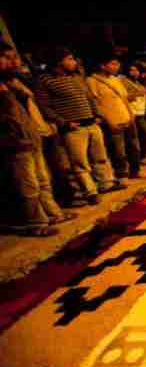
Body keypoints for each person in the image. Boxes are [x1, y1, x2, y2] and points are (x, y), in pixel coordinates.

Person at [0, 43, 78, 236]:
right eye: (7, 57)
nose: (14, 62)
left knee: (43, 180)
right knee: (29, 185)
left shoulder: (14, 83)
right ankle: (36, 222)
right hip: (16, 144)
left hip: (32, 138)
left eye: (14, 57)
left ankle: (53, 213)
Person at [36, 47, 123, 205]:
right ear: (58, 62)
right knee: (79, 162)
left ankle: (106, 183)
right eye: (69, 59)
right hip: (73, 127)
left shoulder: (77, 77)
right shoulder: (46, 80)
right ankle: (89, 191)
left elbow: (89, 98)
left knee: (100, 157)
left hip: (91, 122)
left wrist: (97, 115)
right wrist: (64, 122)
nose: (73, 62)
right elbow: (44, 106)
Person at [87, 53, 142, 179]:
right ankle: (121, 174)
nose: (117, 66)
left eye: (117, 64)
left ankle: (135, 171)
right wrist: (107, 120)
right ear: (102, 66)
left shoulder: (116, 79)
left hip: (127, 117)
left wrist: (131, 114)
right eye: (113, 64)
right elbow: (96, 103)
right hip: (113, 120)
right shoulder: (92, 81)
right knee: (118, 151)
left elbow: (123, 98)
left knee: (134, 147)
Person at [121, 63, 146, 162]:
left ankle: (145, 154)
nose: (135, 72)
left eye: (136, 70)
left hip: (142, 111)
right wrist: (137, 94)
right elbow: (124, 97)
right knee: (141, 135)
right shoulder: (124, 82)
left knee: (145, 135)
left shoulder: (138, 82)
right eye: (132, 70)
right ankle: (141, 157)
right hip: (133, 113)